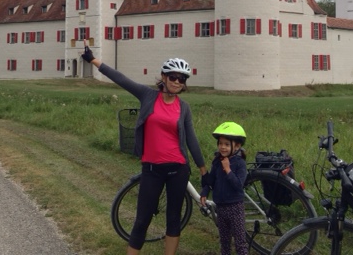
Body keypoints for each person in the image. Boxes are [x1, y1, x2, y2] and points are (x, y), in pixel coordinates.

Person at [80, 41, 206, 255]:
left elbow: (191, 140)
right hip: (152, 169)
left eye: (182, 79)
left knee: (173, 219)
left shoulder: (184, 107)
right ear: (164, 77)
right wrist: (93, 60)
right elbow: (121, 79)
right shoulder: (148, 96)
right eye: (173, 77)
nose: (177, 82)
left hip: (178, 169)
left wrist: (203, 170)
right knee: (142, 220)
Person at [200, 122, 249, 255]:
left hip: (235, 207)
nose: (222, 147)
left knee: (240, 242)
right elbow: (211, 180)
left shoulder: (240, 164)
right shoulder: (217, 161)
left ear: (237, 146)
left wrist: (228, 170)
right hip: (221, 207)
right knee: (224, 241)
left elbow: (238, 185)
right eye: (220, 143)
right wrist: (205, 192)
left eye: (227, 144)